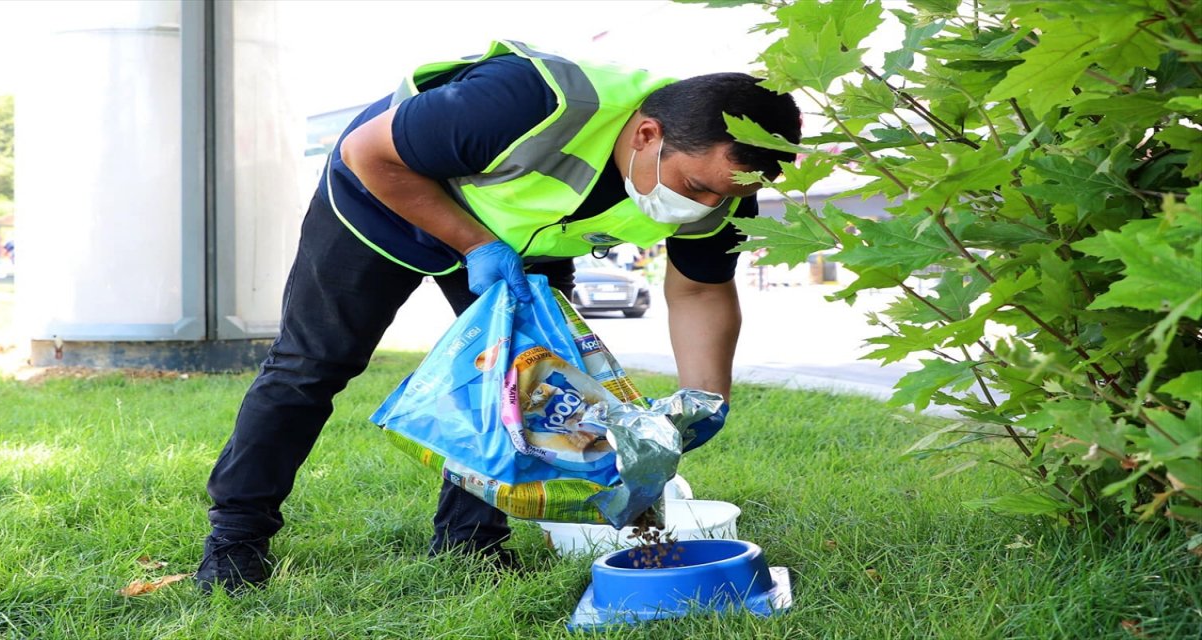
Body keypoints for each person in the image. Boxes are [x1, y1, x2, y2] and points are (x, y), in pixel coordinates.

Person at [195, 39, 801, 594]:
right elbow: (367, 154)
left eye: (722, 195)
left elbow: (700, 292)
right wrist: (476, 245)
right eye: (695, 187)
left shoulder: (724, 184)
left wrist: (702, 400)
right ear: (646, 134)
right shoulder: (528, 100)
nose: (707, 206)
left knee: (529, 385)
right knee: (313, 366)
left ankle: (468, 544)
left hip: (520, 246)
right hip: (383, 199)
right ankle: (235, 541)